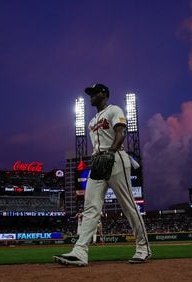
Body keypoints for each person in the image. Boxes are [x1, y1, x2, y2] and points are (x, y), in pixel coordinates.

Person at [54, 83, 151, 266]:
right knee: (90, 208)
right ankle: (80, 252)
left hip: (115, 158)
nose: (90, 96)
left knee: (128, 205)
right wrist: (101, 156)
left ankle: (143, 248)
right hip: (98, 162)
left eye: (93, 93)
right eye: (89, 93)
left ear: (103, 94)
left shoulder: (114, 109)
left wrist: (112, 151)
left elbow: (121, 132)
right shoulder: (91, 122)